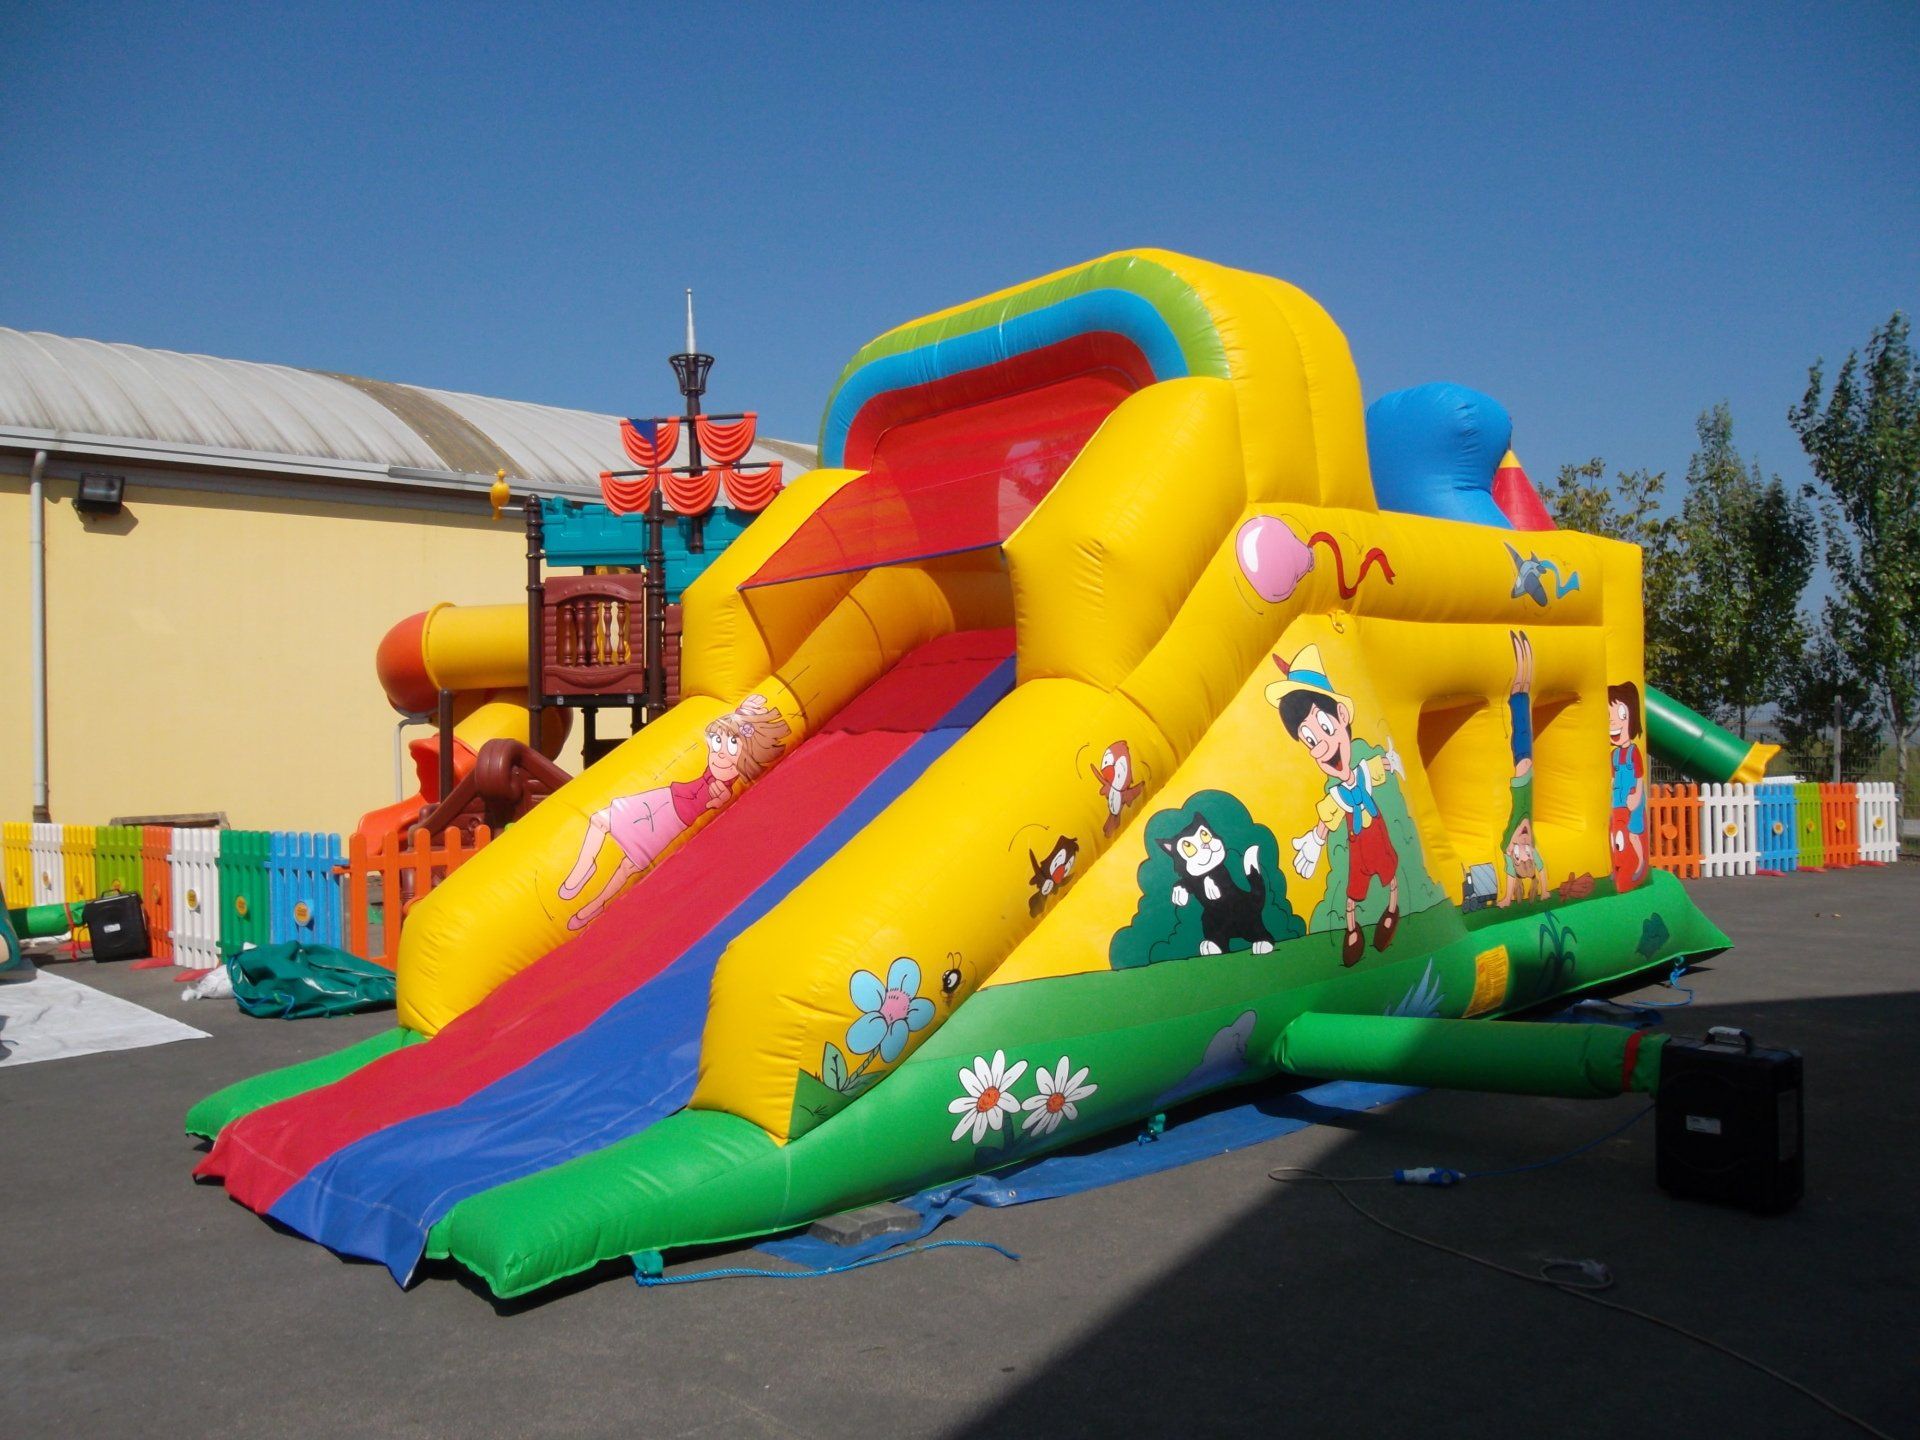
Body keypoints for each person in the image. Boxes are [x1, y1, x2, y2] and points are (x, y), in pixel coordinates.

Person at [557, 694, 790, 929]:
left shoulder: (724, 788)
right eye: (718, 742)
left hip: (674, 819)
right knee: (600, 819)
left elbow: (711, 806)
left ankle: (596, 905)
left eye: (731, 747)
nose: (719, 753)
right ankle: (584, 867)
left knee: (628, 866)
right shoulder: (713, 767)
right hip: (664, 798)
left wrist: (717, 795)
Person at [1270, 644, 1404, 966]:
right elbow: (1327, 822)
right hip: (1358, 844)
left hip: (1376, 834)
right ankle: (1352, 932)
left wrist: (1391, 761)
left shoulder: (1363, 772)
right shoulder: (1338, 797)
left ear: (1342, 717)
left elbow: (1380, 767)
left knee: (1389, 872)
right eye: (1311, 741)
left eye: (1325, 729)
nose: (1323, 747)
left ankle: (1392, 910)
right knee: (1353, 891)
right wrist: (1314, 843)